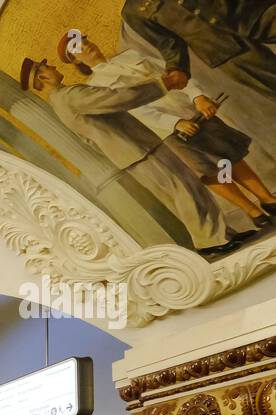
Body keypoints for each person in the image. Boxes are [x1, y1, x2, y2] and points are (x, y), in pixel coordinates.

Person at [20, 56, 237, 254]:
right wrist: (164, 84)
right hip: (137, 150)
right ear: (42, 76)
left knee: (187, 187)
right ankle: (212, 242)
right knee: (184, 191)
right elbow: (118, 98)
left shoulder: (61, 101)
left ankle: (221, 234)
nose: (52, 66)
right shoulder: (69, 96)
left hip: (135, 150)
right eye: (46, 66)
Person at [63, 31, 276, 227]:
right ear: (75, 60)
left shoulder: (131, 56)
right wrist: (173, 123)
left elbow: (177, 74)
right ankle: (252, 211)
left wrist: (198, 97)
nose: (86, 46)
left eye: (86, 40)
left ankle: (267, 199)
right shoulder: (96, 87)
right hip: (169, 131)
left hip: (191, 109)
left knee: (230, 156)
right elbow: (135, 112)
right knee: (211, 170)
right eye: (77, 47)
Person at [122, 0, 276, 103]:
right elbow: (168, 43)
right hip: (222, 49)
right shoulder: (132, 11)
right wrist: (177, 68)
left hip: (254, 12)